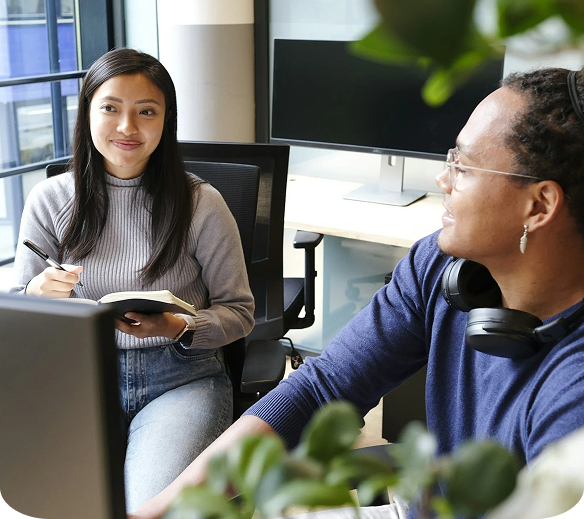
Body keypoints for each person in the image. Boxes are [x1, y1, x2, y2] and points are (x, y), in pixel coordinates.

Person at [131, 65, 584, 519]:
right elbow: (320, 389)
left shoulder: (574, 394)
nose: (442, 181)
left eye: (462, 166)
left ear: (538, 205)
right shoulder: (441, 267)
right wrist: (165, 508)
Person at [9, 48, 255, 513]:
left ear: (166, 122)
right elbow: (20, 313)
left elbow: (240, 312)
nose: (128, 127)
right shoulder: (48, 200)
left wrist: (179, 326)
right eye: (111, 108)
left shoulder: (202, 204)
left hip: (179, 380)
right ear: (87, 114)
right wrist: (36, 294)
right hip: (75, 381)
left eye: (147, 112)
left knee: (148, 508)